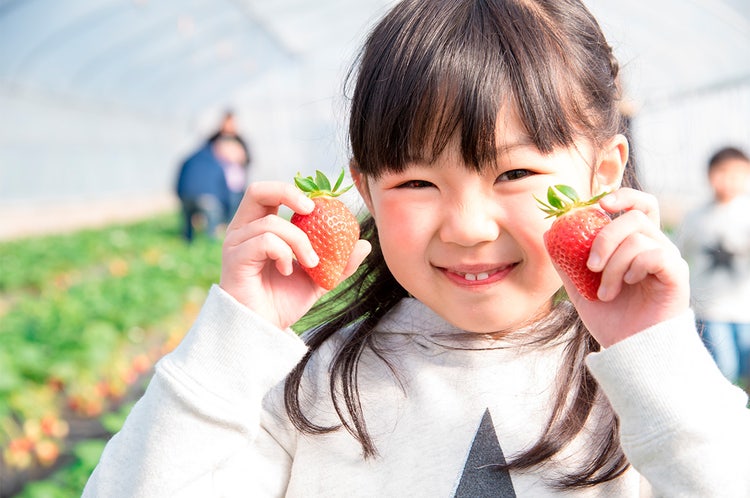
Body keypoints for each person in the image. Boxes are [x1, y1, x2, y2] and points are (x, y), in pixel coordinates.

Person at [84, 1, 750, 496]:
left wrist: (657, 359)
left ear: (603, 174)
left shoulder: (648, 392)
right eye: (417, 181)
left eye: (514, 173)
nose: (466, 226)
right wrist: (234, 338)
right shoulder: (315, 388)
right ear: (365, 192)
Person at [677, 146, 750, 387]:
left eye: (737, 174)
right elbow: (678, 254)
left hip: (744, 307)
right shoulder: (696, 217)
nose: (729, 180)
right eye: (722, 172)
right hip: (710, 309)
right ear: (710, 175)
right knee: (723, 369)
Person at [175, 140, 231, 242]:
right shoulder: (216, 162)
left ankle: (187, 241)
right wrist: (226, 216)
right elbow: (223, 190)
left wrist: (181, 197)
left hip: (186, 196)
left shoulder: (189, 160)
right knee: (213, 224)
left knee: (187, 221)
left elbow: (179, 182)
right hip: (207, 199)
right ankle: (210, 243)